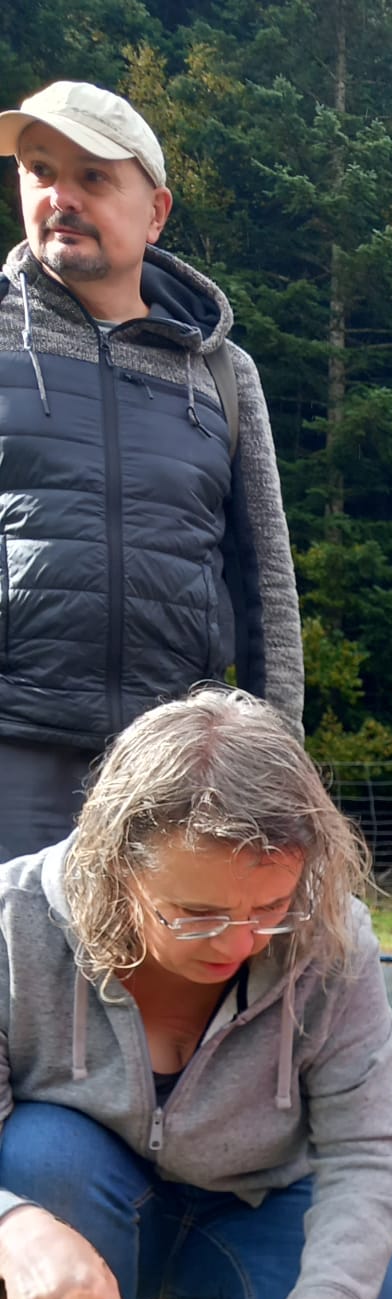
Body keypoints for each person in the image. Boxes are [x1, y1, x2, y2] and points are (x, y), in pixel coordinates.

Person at [0, 687, 392, 1299]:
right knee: (38, 1158)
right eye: (195, 914)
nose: (238, 944)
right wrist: (13, 1228)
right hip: (81, 1202)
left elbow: (368, 1145)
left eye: (271, 907)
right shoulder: (12, 923)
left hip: (246, 1204)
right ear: (116, 864)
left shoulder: (332, 939)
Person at [0, 80, 303, 858]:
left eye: (93, 177)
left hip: (172, 761)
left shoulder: (223, 372)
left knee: (165, 947)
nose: (61, 197)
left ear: (156, 211)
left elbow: (266, 586)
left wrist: (279, 772)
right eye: (40, 171)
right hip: (11, 752)